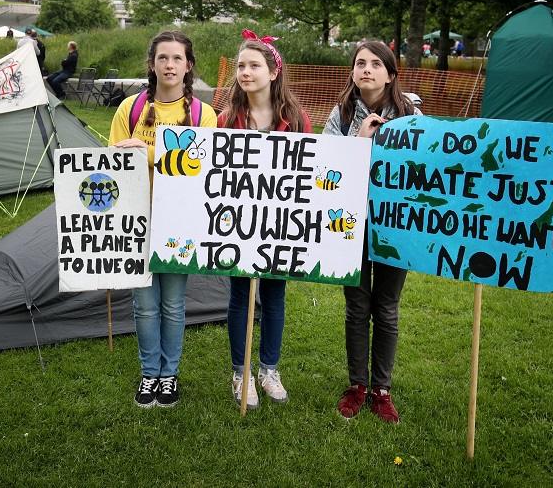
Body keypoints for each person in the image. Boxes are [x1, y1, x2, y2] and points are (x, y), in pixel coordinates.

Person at [109, 30, 216, 408]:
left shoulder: (205, 115)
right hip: (138, 220)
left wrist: (150, 151)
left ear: (189, 66)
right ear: (152, 64)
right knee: (143, 304)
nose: (170, 65)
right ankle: (148, 373)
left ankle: (169, 375)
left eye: (177, 59)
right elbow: (115, 165)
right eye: (162, 58)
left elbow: (201, 168)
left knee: (172, 303)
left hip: (180, 222)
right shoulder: (130, 110)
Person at [323, 39, 420, 424]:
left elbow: (422, 167)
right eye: (360, 63)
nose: (366, 69)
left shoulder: (412, 113)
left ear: (391, 74)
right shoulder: (342, 114)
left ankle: (381, 389)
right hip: (351, 223)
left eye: (376, 64)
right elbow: (325, 167)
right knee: (357, 306)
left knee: (387, 307)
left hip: (397, 225)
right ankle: (357, 385)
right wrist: (359, 141)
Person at [217, 29, 311, 410]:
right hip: (238, 223)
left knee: (274, 294)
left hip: (280, 225)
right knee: (241, 295)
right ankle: (240, 372)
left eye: (254, 65)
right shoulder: (226, 119)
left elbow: (310, 172)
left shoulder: (297, 119)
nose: (245, 71)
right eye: (240, 65)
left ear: (274, 72)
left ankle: (269, 368)